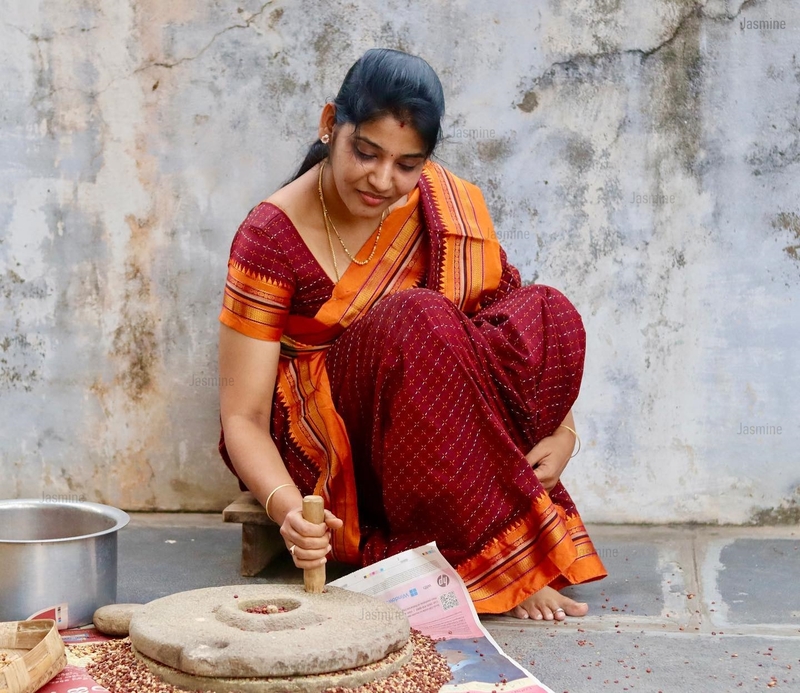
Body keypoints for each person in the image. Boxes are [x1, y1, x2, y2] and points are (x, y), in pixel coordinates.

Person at [217, 47, 606, 621]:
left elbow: (500, 320)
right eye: (366, 153)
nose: (382, 180)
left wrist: (565, 431)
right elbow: (242, 417)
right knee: (416, 321)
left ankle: (500, 538)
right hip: (334, 443)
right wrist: (284, 509)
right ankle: (490, 563)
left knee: (549, 313)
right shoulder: (270, 236)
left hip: (439, 420)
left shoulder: (441, 204)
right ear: (331, 125)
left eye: (406, 164)